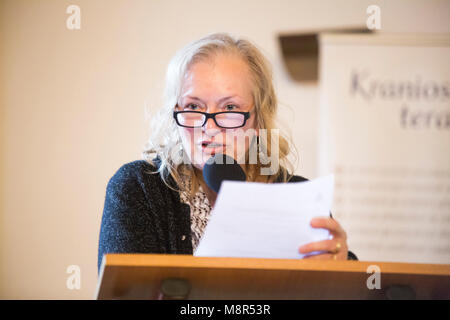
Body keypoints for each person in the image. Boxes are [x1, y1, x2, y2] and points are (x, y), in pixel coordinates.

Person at [98, 33, 356, 272]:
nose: (208, 127)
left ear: (258, 119)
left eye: (229, 106)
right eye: (193, 106)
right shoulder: (138, 189)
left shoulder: (297, 198)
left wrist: (343, 266)